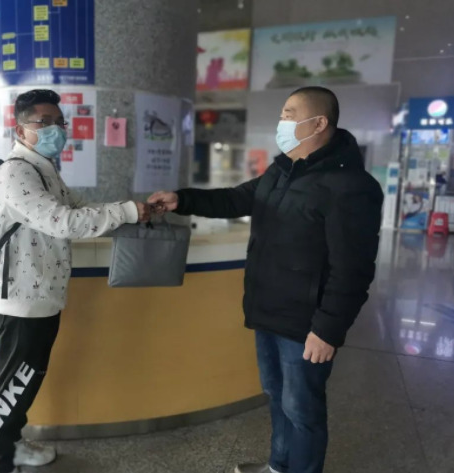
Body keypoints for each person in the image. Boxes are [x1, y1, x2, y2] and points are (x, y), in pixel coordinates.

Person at [149, 87, 383, 473]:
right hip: (268, 309)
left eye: (290, 114)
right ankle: (278, 466)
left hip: (306, 323)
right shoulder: (283, 171)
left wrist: (327, 329)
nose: (282, 122)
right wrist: (182, 200)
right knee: (277, 395)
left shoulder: (351, 186)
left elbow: (353, 269)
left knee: (302, 409)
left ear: (318, 123)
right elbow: (235, 199)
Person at [0, 89, 151, 473]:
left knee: (27, 381)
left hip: (43, 294)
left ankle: (13, 445)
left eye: (59, 122)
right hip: (22, 299)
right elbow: (64, 222)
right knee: (12, 388)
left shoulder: (44, 169)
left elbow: (78, 208)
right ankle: (1, 462)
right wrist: (126, 211)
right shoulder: (16, 171)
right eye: (44, 122)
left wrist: (128, 210)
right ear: (20, 129)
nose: (56, 129)